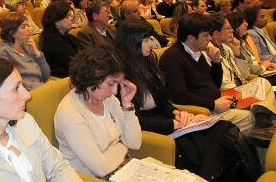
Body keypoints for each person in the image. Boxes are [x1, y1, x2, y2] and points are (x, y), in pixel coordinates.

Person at [115, 19, 260, 181]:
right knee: (218, 140)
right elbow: (135, 121)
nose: (151, 44)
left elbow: (163, 102)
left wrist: (178, 113)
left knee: (226, 130)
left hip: (171, 122)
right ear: (132, 43)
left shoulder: (146, 63)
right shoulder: (122, 77)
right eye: (146, 40)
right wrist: (173, 123)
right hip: (157, 130)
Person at [54, 46, 142, 178]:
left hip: (121, 170)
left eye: (118, 84)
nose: (115, 92)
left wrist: (127, 105)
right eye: (111, 83)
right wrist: (122, 146)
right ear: (91, 78)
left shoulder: (109, 100)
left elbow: (134, 143)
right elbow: (101, 169)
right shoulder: (70, 113)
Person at [159, 13, 254, 135]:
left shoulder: (197, 52)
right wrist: (213, 104)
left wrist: (216, 63)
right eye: (205, 35)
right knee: (248, 117)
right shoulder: (172, 58)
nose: (210, 38)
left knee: (256, 101)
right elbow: (179, 96)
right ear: (191, 38)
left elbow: (214, 84)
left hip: (216, 102)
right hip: (202, 111)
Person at [210, 12, 276, 143]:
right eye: (228, 28)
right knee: (267, 94)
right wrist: (242, 92)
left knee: (262, 82)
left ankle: (262, 120)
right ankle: (263, 122)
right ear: (217, 33)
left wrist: (237, 53)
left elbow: (243, 75)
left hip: (239, 88)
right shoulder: (209, 52)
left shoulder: (226, 48)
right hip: (227, 94)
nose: (232, 31)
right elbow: (221, 82)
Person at [0, 12, 50, 90]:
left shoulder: (28, 46)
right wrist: (41, 86)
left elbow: (46, 75)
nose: (29, 29)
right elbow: (9, 81)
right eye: (23, 27)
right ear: (12, 33)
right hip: (24, 94)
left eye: (27, 25)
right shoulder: (3, 51)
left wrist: (37, 53)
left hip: (39, 89)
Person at [41, 1, 79, 78]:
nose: (71, 18)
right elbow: (76, 64)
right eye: (67, 16)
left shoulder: (68, 36)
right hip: (67, 81)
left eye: (71, 15)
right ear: (56, 22)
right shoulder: (53, 42)